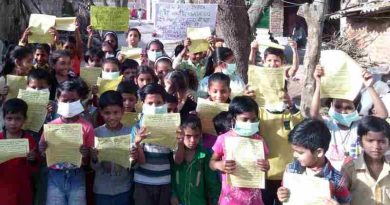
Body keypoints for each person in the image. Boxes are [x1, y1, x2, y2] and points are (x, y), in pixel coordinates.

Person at [311, 66, 388, 170]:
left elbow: (382, 115)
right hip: (333, 178)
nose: (342, 111)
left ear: (356, 108)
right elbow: (314, 114)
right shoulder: (329, 124)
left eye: (348, 108)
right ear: (331, 106)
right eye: (338, 107)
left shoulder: (360, 125)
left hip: (356, 177)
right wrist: (318, 84)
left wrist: (369, 86)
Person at [39, 80, 95, 205]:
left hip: (77, 176)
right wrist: (43, 150)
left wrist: (86, 154)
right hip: (55, 176)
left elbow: (90, 161)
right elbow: (43, 155)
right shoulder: (50, 126)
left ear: (80, 100)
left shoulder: (87, 127)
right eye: (65, 100)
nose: (69, 104)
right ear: (57, 100)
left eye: (73, 100)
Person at [210, 96, 270, 205]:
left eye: (253, 119)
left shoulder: (259, 140)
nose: (249, 123)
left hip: (254, 199)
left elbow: (265, 166)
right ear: (233, 119)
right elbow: (212, 162)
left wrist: (266, 166)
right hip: (231, 199)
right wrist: (219, 165)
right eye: (245, 119)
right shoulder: (224, 139)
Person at [277, 119, 351, 205]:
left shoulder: (337, 180)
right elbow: (284, 188)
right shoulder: (290, 169)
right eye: (294, 150)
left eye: (300, 152)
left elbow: (346, 202)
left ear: (319, 152)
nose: (294, 155)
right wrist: (281, 193)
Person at [130, 83, 174, 205]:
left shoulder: (171, 126)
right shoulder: (137, 127)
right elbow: (141, 161)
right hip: (142, 182)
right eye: (150, 103)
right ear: (143, 104)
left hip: (164, 181)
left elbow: (176, 158)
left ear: (165, 103)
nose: (154, 106)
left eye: (159, 103)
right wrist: (138, 143)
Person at [90, 91, 133, 205]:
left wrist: (133, 157)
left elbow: (135, 165)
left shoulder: (130, 132)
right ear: (100, 112)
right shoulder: (96, 133)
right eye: (107, 113)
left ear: (122, 111)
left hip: (124, 188)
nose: (112, 117)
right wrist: (94, 158)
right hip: (101, 190)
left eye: (116, 112)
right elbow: (93, 167)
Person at [171, 115, 221, 205]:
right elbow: (170, 176)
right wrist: (172, 194)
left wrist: (214, 200)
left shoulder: (204, 155)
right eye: (188, 136)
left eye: (196, 136)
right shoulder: (174, 153)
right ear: (181, 134)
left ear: (201, 134)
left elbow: (211, 181)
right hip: (178, 201)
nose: (193, 140)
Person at [342, 116, 390, 205]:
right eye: (370, 141)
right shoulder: (350, 169)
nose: (376, 147)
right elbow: (341, 197)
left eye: (382, 141)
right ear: (360, 141)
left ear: (389, 143)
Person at [0, 98, 39, 205]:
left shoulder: (29, 140)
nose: (13, 123)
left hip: (23, 189)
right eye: (9, 118)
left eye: (18, 119)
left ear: (24, 119)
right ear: (3, 119)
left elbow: (34, 169)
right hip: (2, 189)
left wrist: (33, 159)